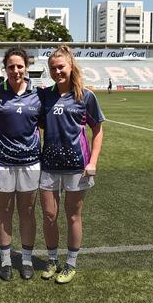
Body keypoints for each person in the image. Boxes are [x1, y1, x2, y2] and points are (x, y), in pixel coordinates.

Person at [39, 45, 104, 284]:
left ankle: (71, 263)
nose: (57, 72)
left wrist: (93, 161)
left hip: (78, 167)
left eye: (61, 67)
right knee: (49, 215)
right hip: (49, 165)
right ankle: (53, 259)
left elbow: (97, 130)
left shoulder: (85, 96)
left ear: (71, 66)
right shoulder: (45, 95)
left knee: (73, 216)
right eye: (53, 68)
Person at [0, 47, 43, 281]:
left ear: (26, 67)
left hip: (30, 162)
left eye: (20, 66)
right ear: (5, 68)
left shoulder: (39, 95)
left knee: (27, 212)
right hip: (2, 162)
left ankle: (27, 259)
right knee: (4, 212)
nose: (16, 71)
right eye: (11, 66)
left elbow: (42, 123)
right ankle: (6, 259)